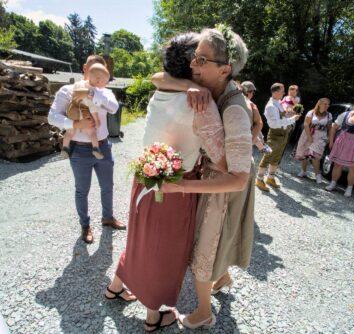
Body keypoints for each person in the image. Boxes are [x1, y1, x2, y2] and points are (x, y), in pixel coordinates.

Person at [106, 32, 228, 332]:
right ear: (192, 65)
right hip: (174, 184)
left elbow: (156, 77)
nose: (201, 63)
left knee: (139, 239)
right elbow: (222, 159)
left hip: (144, 176)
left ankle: (115, 287)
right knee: (164, 249)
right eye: (199, 58)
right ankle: (153, 314)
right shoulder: (201, 100)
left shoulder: (163, 89)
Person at [152, 24, 254, 330]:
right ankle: (222, 277)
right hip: (213, 177)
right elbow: (157, 77)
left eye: (201, 61)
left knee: (204, 248)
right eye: (195, 57)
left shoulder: (235, 110)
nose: (192, 66)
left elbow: (238, 178)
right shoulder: (208, 86)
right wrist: (188, 87)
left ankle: (203, 312)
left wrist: (182, 185)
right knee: (216, 241)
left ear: (224, 69)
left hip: (223, 185)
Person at [48, 55, 125, 244]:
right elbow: (52, 117)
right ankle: (85, 225)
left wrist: (92, 94)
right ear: (85, 68)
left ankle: (107, 217)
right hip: (80, 149)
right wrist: (75, 123)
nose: (97, 75)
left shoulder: (105, 93)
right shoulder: (67, 90)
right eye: (93, 69)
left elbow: (114, 108)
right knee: (82, 190)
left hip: (103, 146)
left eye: (101, 71)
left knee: (107, 186)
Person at [256, 83, 301, 191]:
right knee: (268, 155)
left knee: (277, 157)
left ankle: (270, 178)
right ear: (275, 92)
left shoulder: (278, 103)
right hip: (275, 134)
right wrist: (292, 119)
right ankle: (259, 179)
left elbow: (282, 115)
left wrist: (289, 114)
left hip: (283, 133)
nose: (284, 93)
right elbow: (274, 124)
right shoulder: (271, 106)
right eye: (282, 91)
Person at [62, 64, 111, 159]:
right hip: (83, 112)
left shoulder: (78, 84)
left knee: (69, 131)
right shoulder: (91, 92)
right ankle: (96, 148)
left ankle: (65, 147)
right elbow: (93, 109)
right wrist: (97, 120)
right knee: (92, 132)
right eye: (105, 82)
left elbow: (72, 96)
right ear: (97, 80)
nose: (106, 84)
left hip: (72, 110)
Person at [294, 98, 332, 183]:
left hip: (320, 136)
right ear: (319, 104)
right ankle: (303, 171)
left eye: (328, 104)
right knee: (305, 154)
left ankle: (317, 175)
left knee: (316, 156)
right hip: (308, 134)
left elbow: (330, 128)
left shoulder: (329, 115)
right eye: (325, 104)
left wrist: (329, 138)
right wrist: (309, 136)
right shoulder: (311, 112)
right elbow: (306, 124)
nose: (327, 106)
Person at [241, 81, 271, 154]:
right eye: (252, 93)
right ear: (249, 92)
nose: (253, 95)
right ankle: (262, 147)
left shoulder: (232, 101)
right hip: (245, 138)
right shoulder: (251, 105)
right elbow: (259, 124)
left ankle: (262, 146)